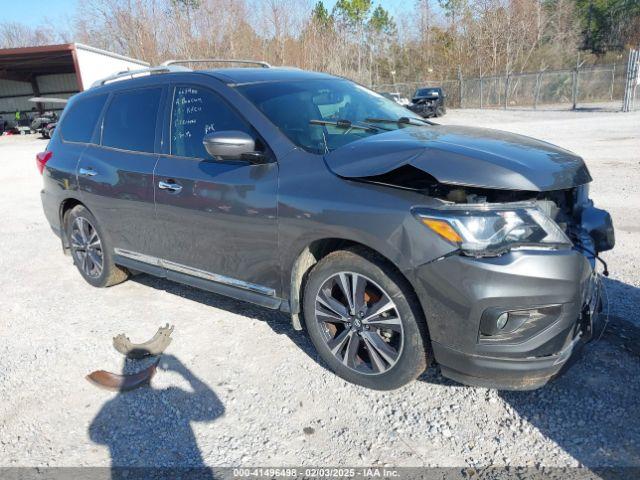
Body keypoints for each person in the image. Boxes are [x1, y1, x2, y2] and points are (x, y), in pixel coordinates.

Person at [89, 354, 222, 479]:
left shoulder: (112, 407)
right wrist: (182, 370)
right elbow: (216, 410)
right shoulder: (172, 397)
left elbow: (96, 435)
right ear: (152, 373)